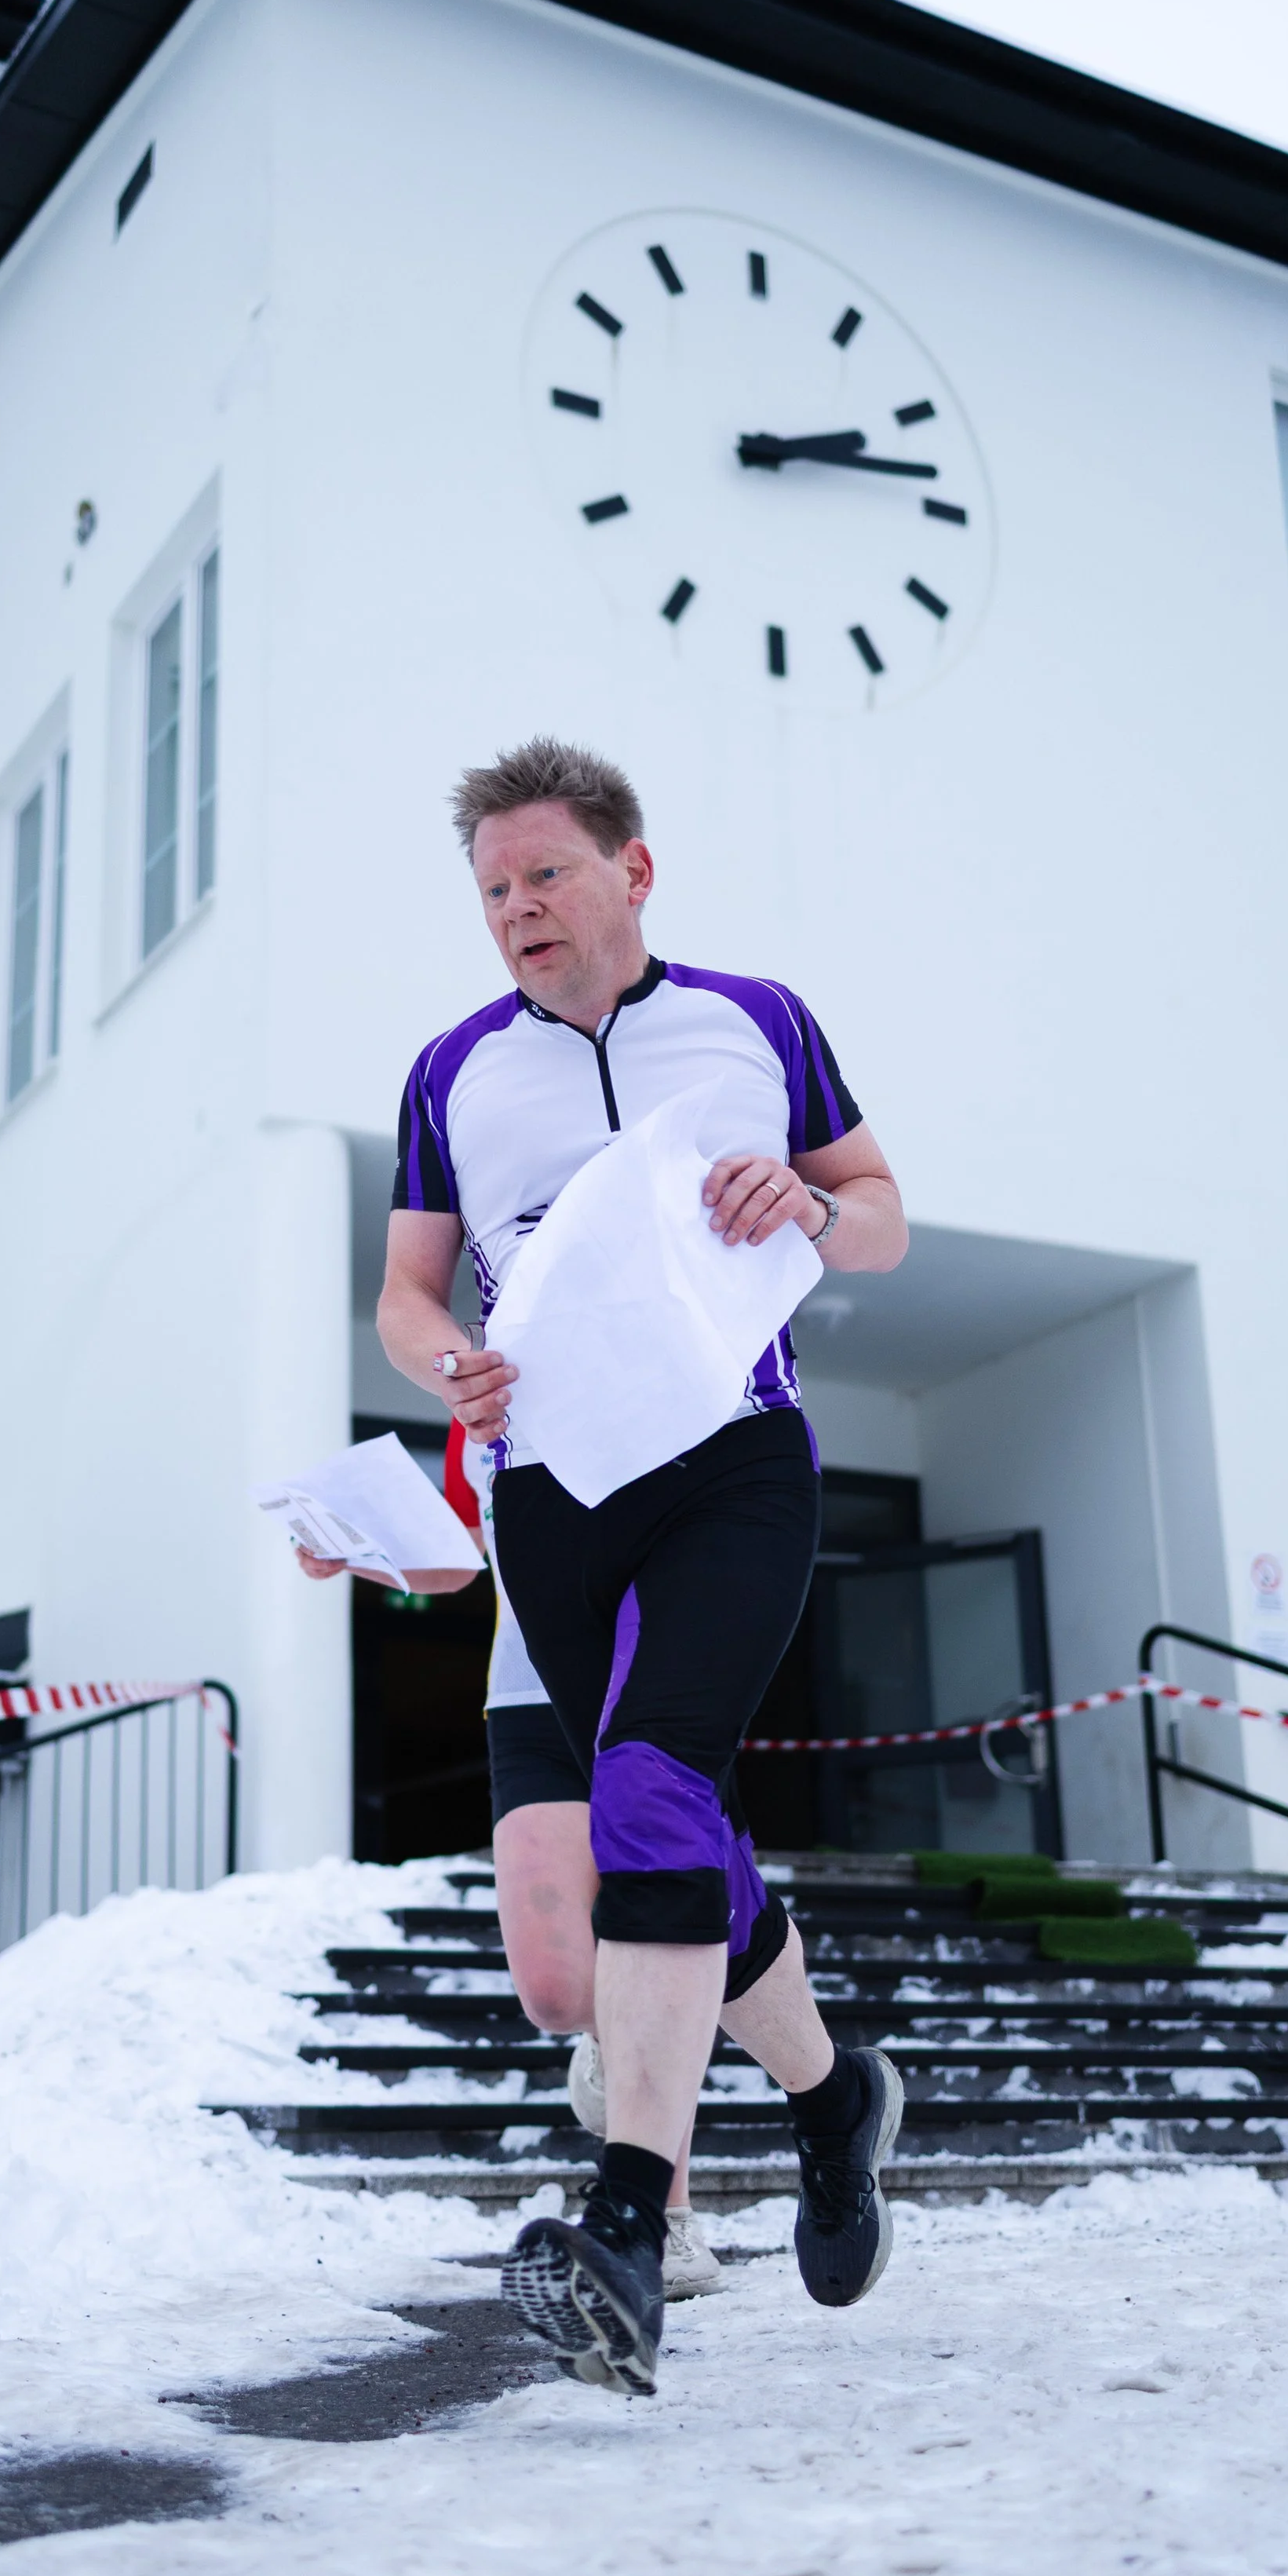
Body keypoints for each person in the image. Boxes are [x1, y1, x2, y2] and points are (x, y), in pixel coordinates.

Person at [379, 736, 910, 2396]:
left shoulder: (757, 1020)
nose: (516, 910)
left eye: (542, 873)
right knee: (652, 1809)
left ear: (631, 869)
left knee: (654, 1793)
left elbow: (882, 1208)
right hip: (551, 1487)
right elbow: (405, 1295)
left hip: (735, 1458)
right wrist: (435, 1365)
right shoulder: (449, 1070)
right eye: (489, 890)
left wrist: (810, 1216)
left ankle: (627, 2213)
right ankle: (832, 2101)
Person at [294, 1425, 724, 2297]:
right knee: (559, 1992)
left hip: (658, 1690)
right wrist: (352, 1560)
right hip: (530, 1701)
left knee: (648, 1944)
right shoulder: (472, 1419)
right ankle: (613, 2046)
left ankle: (667, 2220)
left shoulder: (649, 1368)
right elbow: (456, 1564)